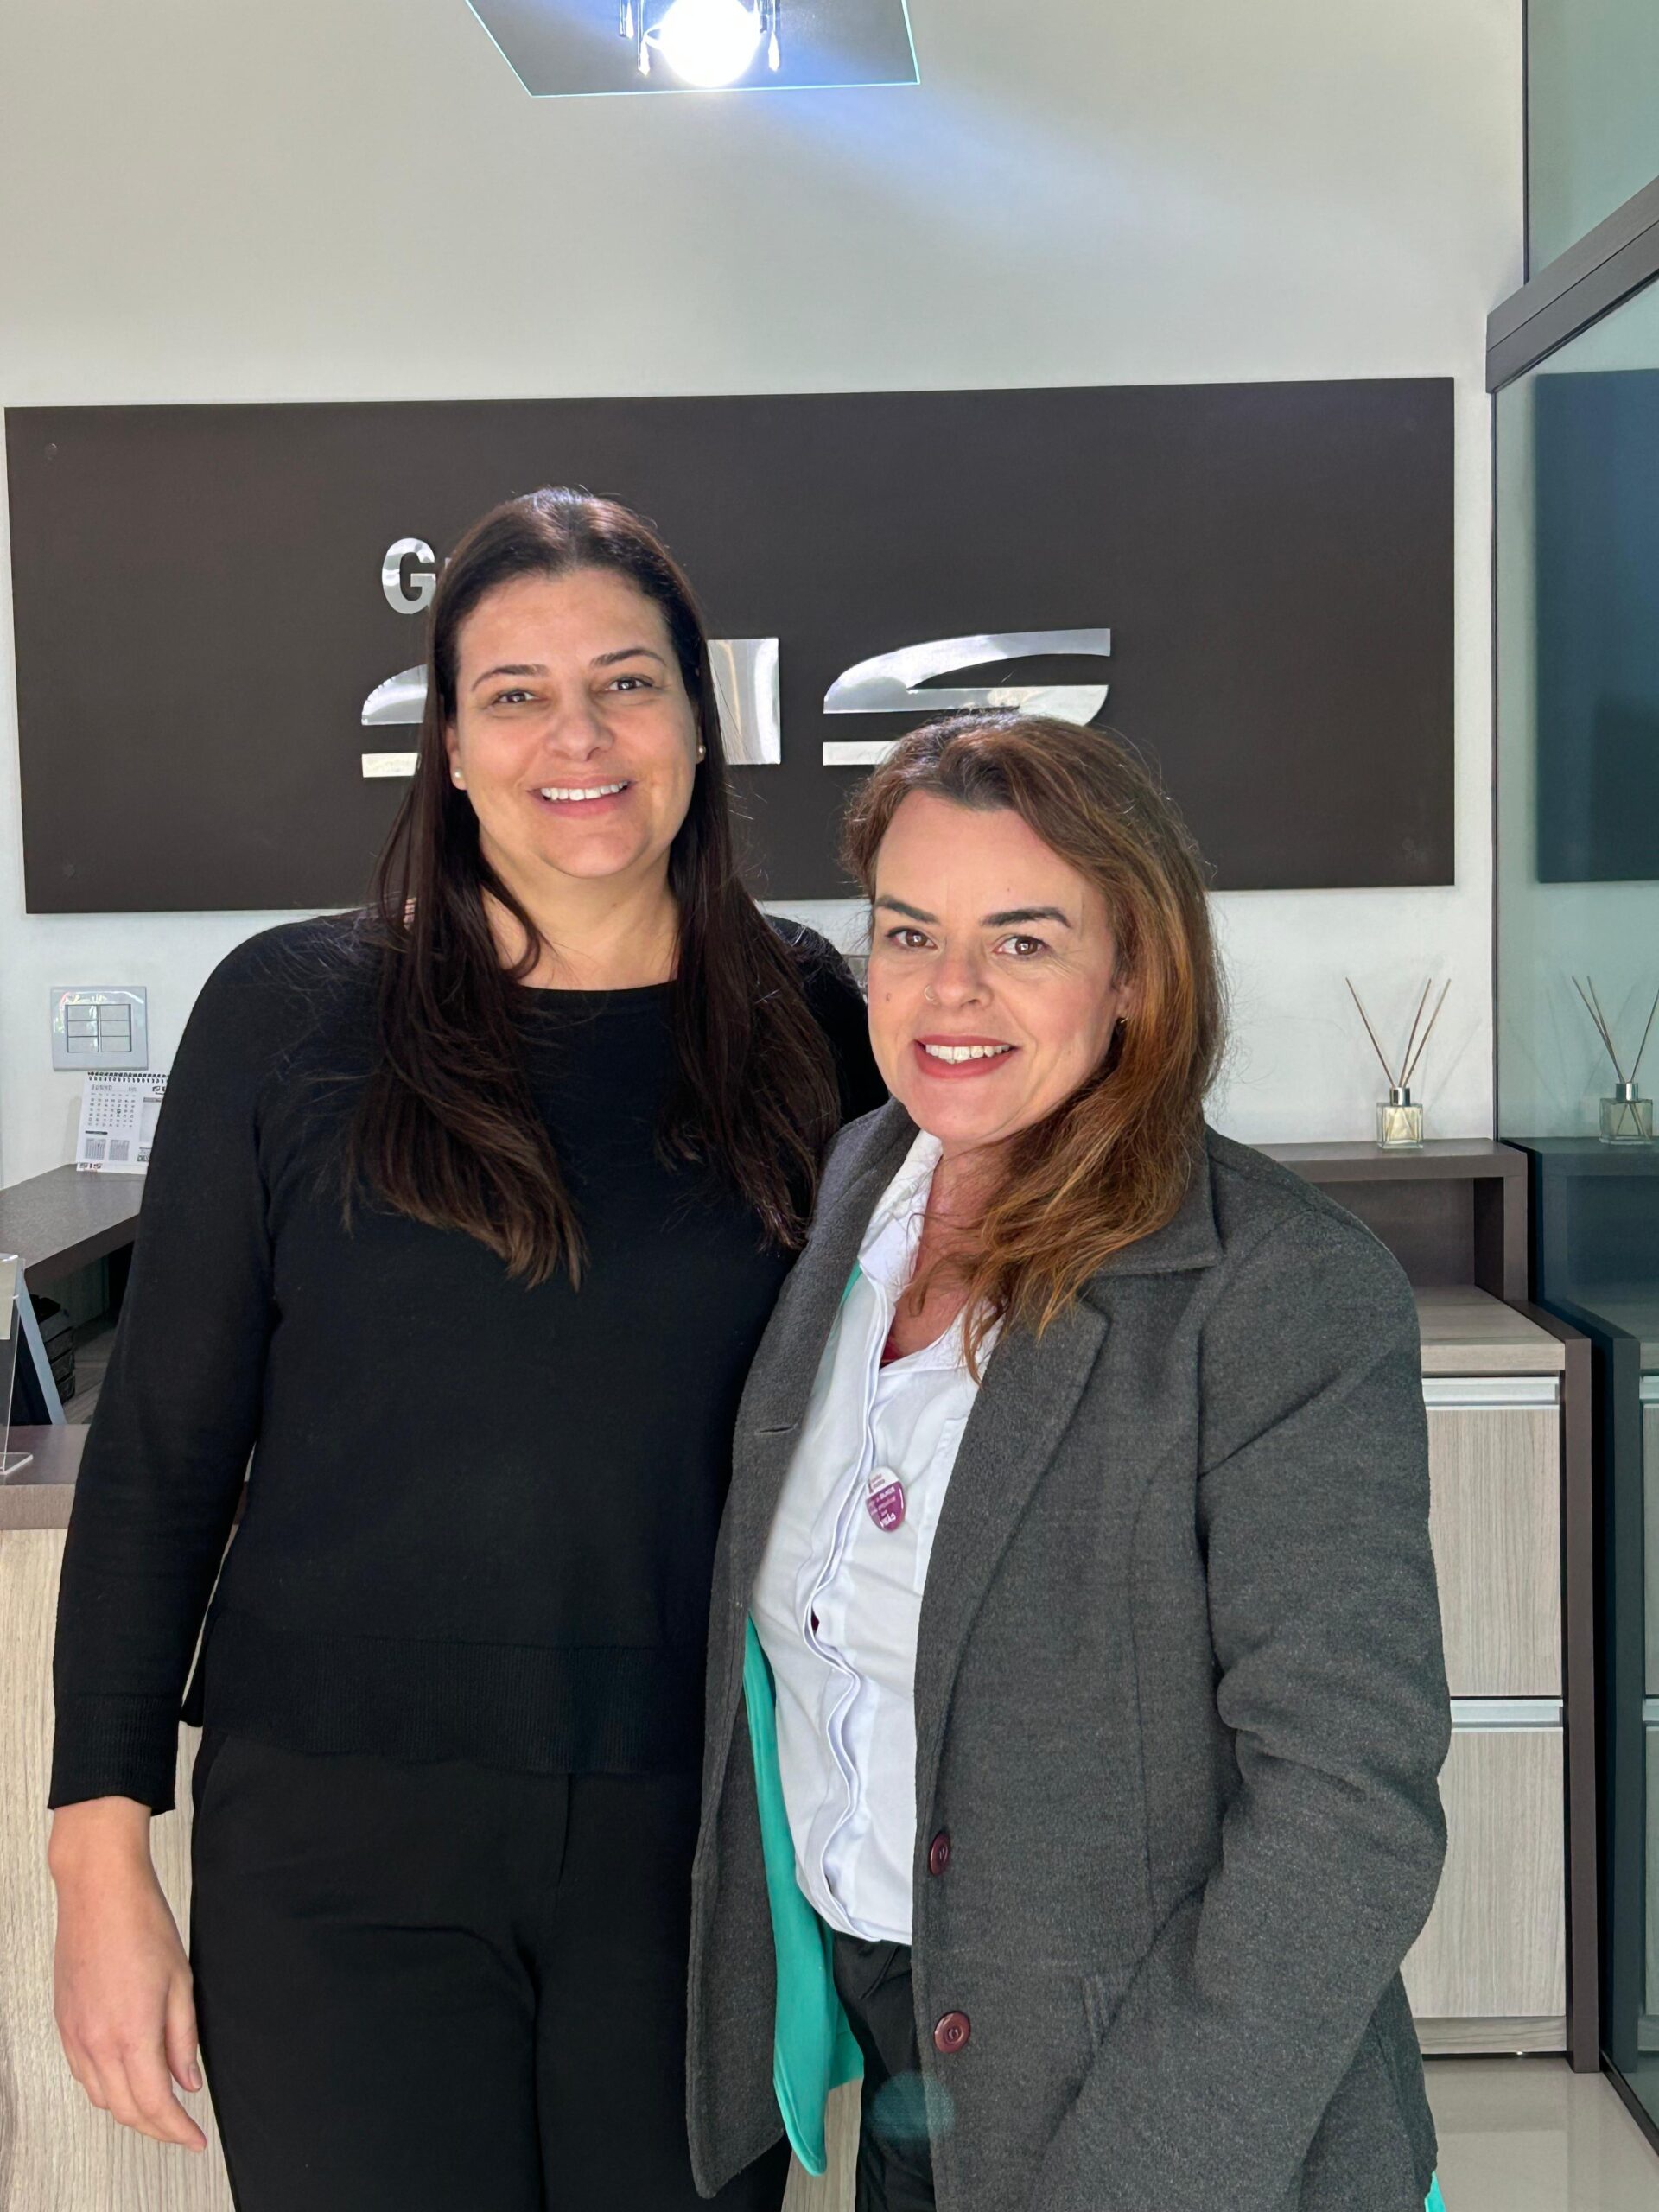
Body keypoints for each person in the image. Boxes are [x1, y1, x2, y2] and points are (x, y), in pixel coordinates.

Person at [46, 487, 884, 2212]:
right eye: (515, 693)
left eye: (626, 683)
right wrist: (98, 1859)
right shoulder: (291, 1016)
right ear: (445, 743)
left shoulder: (812, 1019)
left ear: (700, 723)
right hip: (339, 1839)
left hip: (698, 1832)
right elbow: (162, 1456)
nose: (577, 737)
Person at [687, 711, 1452, 2212]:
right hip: (911, 2068)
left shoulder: (1278, 1291)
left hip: (1167, 2121)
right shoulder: (854, 1191)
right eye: (911, 933)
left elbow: (1348, 1813)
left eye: (1024, 941)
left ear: (1135, 974)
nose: (951, 992)